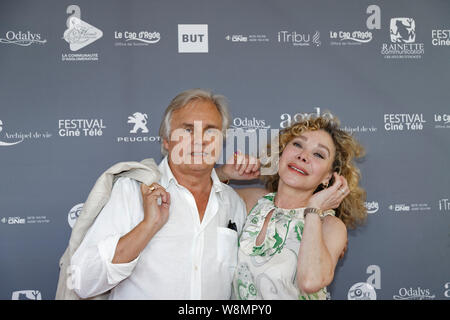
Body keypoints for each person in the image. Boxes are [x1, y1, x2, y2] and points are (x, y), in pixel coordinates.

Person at [70, 89, 249, 299]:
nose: (200, 141)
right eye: (188, 130)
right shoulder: (131, 190)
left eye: (210, 131)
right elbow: (83, 282)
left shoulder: (232, 203)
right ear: (166, 140)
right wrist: (148, 226)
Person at [215, 114, 367, 300]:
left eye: (318, 154)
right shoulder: (251, 201)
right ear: (281, 153)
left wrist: (314, 209)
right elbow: (191, 195)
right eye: (297, 145)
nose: (303, 156)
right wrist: (222, 172)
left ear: (328, 177)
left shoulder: (330, 226)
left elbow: (310, 282)